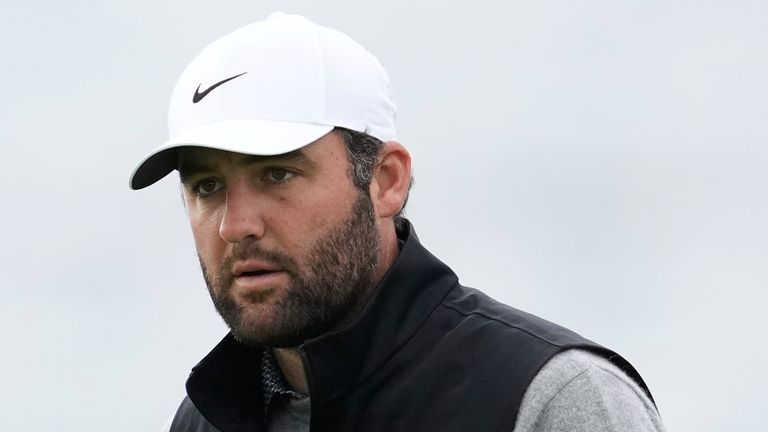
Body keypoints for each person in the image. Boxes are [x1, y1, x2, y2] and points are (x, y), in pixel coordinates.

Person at [130, 12, 665, 432]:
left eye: (277, 174)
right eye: (206, 187)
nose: (235, 225)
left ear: (386, 181)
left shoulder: (553, 400)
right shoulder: (195, 422)